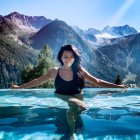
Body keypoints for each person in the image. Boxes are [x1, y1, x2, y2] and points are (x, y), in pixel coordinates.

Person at [11, 44, 127, 138]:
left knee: (80, 115)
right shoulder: (54, 71)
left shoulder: (80, 70)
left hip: (79, 97)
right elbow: (37, 81)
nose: (68, 59)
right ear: (61, 57)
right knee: (74, 107)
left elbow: (97, 81)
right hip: (62, 96)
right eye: (65, 56)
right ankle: (71, 134)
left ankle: (72, 128)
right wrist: (18, 87)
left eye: (71, 57)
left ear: (75, 58)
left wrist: (118, 86)